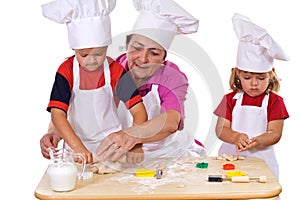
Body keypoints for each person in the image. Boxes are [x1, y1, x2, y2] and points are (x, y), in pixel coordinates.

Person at [40, 0, 205, 162]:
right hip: (116, 152)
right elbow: (67, 106)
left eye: (154, 53)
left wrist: (134, 138)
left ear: (163, 57)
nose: (143, 59)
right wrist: (54, 131)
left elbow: (171, 121)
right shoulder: (113, 68)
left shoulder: (171, 77)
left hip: (163, 151)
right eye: (137, 48)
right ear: (126, 46)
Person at [41, 0, 147, 164]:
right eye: (83, 55)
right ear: (74, 49)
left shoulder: (115, 70)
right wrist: (78, 148)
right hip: (75, 150)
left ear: (106, 47)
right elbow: (58, 115)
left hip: (113, 149)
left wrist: (135, 142)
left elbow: (139, 111)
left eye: (98, 54)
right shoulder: (66, 70)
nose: (91, 61)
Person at [214, 13, 289, 179]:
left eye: (261, 78)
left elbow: (275, 133)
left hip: (262, 164)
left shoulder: (275, 101)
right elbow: (221, 129)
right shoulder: (229, 100)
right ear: (238, 74)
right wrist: (235, 137)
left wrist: (258, 141)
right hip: (230, 162)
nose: (254, 84)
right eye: (247, 78)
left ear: (271, 74)